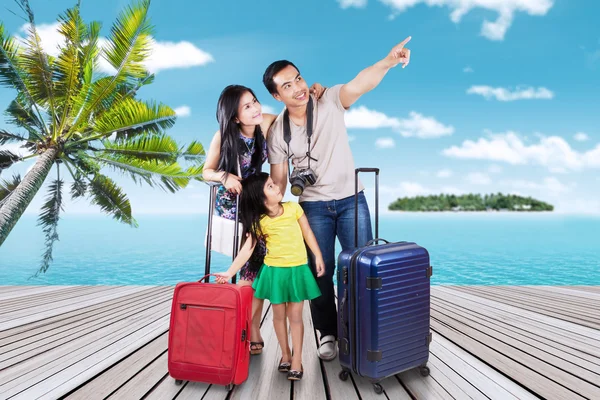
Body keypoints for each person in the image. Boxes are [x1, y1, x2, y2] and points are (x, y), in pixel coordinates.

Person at [262, 37, 412, 361]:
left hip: (351, 200)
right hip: (312, 207)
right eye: (287, 86)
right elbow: (279, 179)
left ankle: (360, 328)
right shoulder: (277, 132)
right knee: (320, 271)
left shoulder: (328, 99)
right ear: (277, 95)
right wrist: (270, 208)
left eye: (298, 78)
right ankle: (328, 332)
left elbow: (361, 83)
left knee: (362, 268)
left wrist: (387, 61)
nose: (298, 88)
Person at [202, 83, 325, 355]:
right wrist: (224, 176)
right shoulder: (222, 136)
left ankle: (249, 328)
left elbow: (295, 111)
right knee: (252, 267)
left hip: (256, 201)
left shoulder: (266, 122)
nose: (256, 108)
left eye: (255, 101)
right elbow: (206, 172)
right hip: (232, 206)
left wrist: (314, 94)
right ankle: (250, 329)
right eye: (247, 106)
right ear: (234, 117)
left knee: (255, 270)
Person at [215, 172, 325, 381]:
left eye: (273, 184)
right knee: (278, 317)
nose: (277, 188)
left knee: (296, 318)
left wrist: (318, 256)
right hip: (274, 272)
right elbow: (247, 249)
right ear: (261, 199)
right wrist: (229, 272)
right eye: (270, 187)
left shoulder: (293, 208)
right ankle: (285, 354)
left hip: (297, 271)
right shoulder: (260, 222)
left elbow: (308, 233)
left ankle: (297, 360)